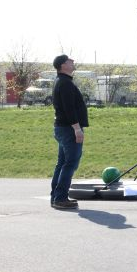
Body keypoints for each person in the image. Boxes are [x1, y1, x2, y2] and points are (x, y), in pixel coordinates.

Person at [50, 54, 88, 209]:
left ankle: (56, 197)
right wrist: (77, 129)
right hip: (68, 129)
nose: (73, 62)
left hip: (63, 128)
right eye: (70, 60)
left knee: (62, 163)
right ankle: (60, 198)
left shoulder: (62, 81)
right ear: (63, 65)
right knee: (70, 163)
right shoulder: (65, 83)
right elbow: (69, 109)